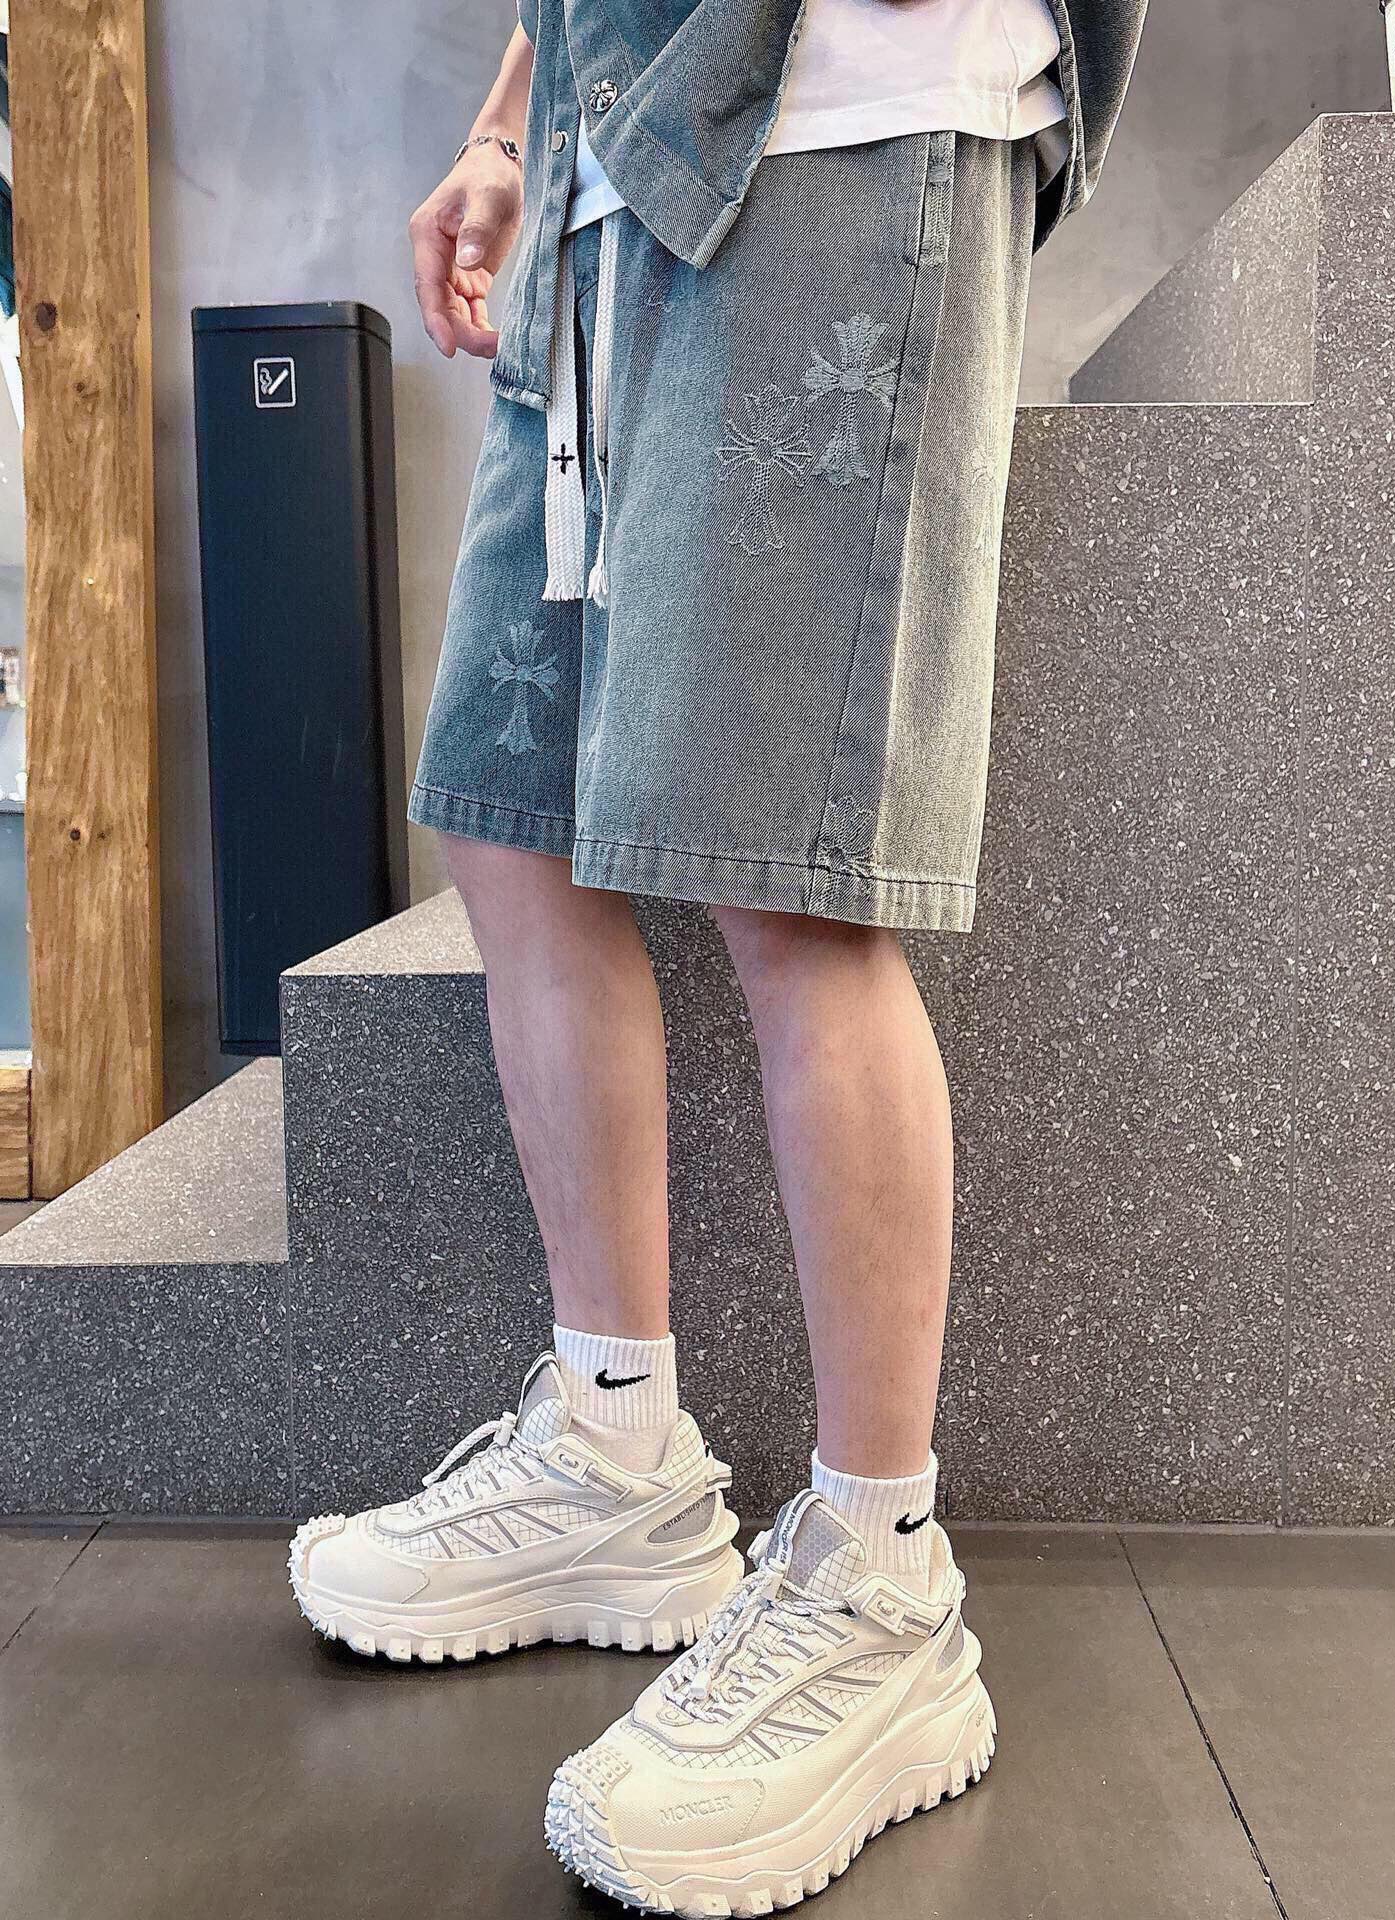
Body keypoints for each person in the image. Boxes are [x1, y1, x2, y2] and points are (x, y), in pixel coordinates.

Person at [289, 0, 1146, 1909]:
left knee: (792, 881)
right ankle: (618, 1456)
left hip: (845, 131)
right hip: (607, 170)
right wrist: (510, 124)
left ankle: (882, 1587)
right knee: (510, 820)